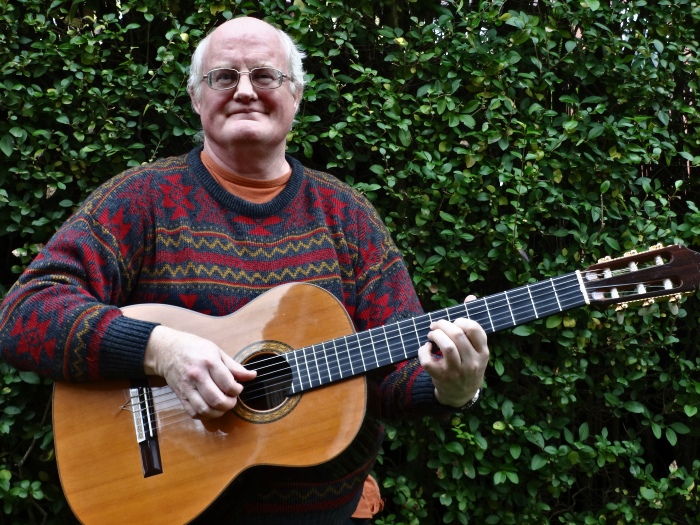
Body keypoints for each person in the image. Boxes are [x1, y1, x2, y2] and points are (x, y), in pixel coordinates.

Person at [0, 17, 489, 525]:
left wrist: (451, 389)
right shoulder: (142, 200)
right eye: (224, 76)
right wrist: (160, 349)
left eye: (265, 75)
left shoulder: (348, 216)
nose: (245, 91)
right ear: (197, 97)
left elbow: (394, 374)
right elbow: (23, 314)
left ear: (296, 95)